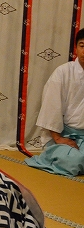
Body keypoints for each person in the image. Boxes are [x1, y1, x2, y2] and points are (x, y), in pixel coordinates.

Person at [25, 28, 84, 176]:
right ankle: (52, 155)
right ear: (76, 48)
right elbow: (52, 107)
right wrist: (58, 138)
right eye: (82, 46)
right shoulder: (63, 72)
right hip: (63, 135)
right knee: (75, 161)